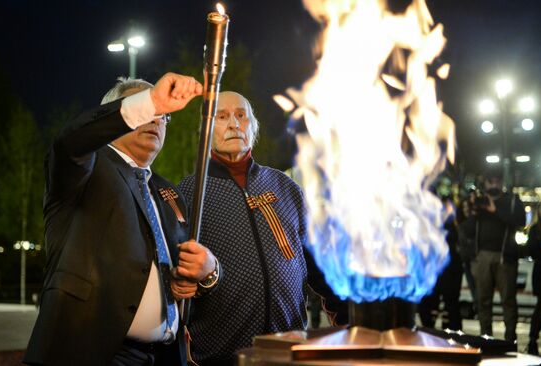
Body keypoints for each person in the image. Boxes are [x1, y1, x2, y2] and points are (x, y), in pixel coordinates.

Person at [24, 73, 220, 366]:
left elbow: (188, 272)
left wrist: (208, 272)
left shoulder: (169, 194)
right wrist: (151, 101)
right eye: (149, 112)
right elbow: (71, 142)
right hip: (91, 353)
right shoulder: (84, 169)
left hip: (164, 355)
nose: (156, 119)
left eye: (163, 116)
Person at [178, 91, 345, 365]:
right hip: (222, 356)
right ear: (206, 129)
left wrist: (348, 317)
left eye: (242, 115)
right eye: (222, 116)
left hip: (290, 348)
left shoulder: (285, 187)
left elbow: (319, 264)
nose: (234, 124)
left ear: (252, 127)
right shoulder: (189, 193)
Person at [463, 169, 525, 343]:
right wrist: (471, 212)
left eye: (497, 181)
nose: (494, 184)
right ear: (485, 183)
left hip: (505, 257)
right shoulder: (479, 202)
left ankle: (510, 341)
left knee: (508, 301)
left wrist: (495, 210)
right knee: (483, 300)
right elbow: (467, 231)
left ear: (501, 182)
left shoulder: (511, 201)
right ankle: (485, 340)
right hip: (482, 256)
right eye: (490, 181)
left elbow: (520, 222)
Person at [418, 197, 463, 331]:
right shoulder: (429, 226)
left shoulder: (452, 228)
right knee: (429, 305)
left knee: (451, 304)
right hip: (434, 270)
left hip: (449, 270)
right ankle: (429, 329)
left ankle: (451, 331)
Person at [527, 200, 541, 355]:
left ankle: (534, 336)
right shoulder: (534, 230)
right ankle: (533, 337)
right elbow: (531, 250)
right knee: (540, 305)